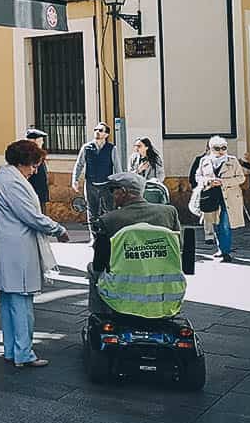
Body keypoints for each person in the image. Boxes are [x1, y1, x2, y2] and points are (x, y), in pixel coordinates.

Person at [0, 139, 69, 368]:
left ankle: (11, 350)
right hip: (17, 249)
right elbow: (31, 216)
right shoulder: (12, 182)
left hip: (8, 246)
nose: (35, 171)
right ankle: (24, 353)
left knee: (9, 301)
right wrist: (58, 229)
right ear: (23, 162)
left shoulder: (5, 177)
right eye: (34, 166)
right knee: (22, 303)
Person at [88, 172, 180, 314]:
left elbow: (100, 262)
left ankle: (100, 313)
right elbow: (179, 249)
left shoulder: (108, 220)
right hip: (165, 293)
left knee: (92, 269)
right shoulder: (169, 212)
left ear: (123, 192)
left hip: (123, 293)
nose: (112, 195)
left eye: (113, 191)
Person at [194, 136, 245, 263]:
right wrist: (208, 181)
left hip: (229, 198)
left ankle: (226, 252)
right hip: (211, 196)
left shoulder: (232, 161)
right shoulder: (204, 161)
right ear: (211, 149)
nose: (221, 151)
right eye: (217, 148)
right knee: (215, 224)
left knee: (225, 224)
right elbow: (198, 176)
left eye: (224, 148)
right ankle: (220, 249)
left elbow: (241, 178)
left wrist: (223, 182)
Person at [72, 122, 123, 224]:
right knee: (92, 212)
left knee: (109, 211)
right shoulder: (86, 148)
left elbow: (118, 168)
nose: (97, 132)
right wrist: (75, 180)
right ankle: (94, 238)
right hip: (90, 184)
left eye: (100, 130)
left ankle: (109, 236)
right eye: (95, 130)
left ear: (106, 134)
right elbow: (79, 164)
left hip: (106, 185)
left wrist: (119, 185)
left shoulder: (112, 148)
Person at [188, 139, 214, 245]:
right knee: (207, 214)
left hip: (220, 191)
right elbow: (192, 177)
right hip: (205, 190)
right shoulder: (200, 159)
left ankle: (220, 235)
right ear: (207, 148)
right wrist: (198, 189)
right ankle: (209, 236)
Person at [25, 128, 50, 206]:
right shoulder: (29, 155)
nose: (42, 142)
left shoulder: (38, 153)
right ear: (35, 141)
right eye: (41, 140)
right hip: (34, 192)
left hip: (39, 191)